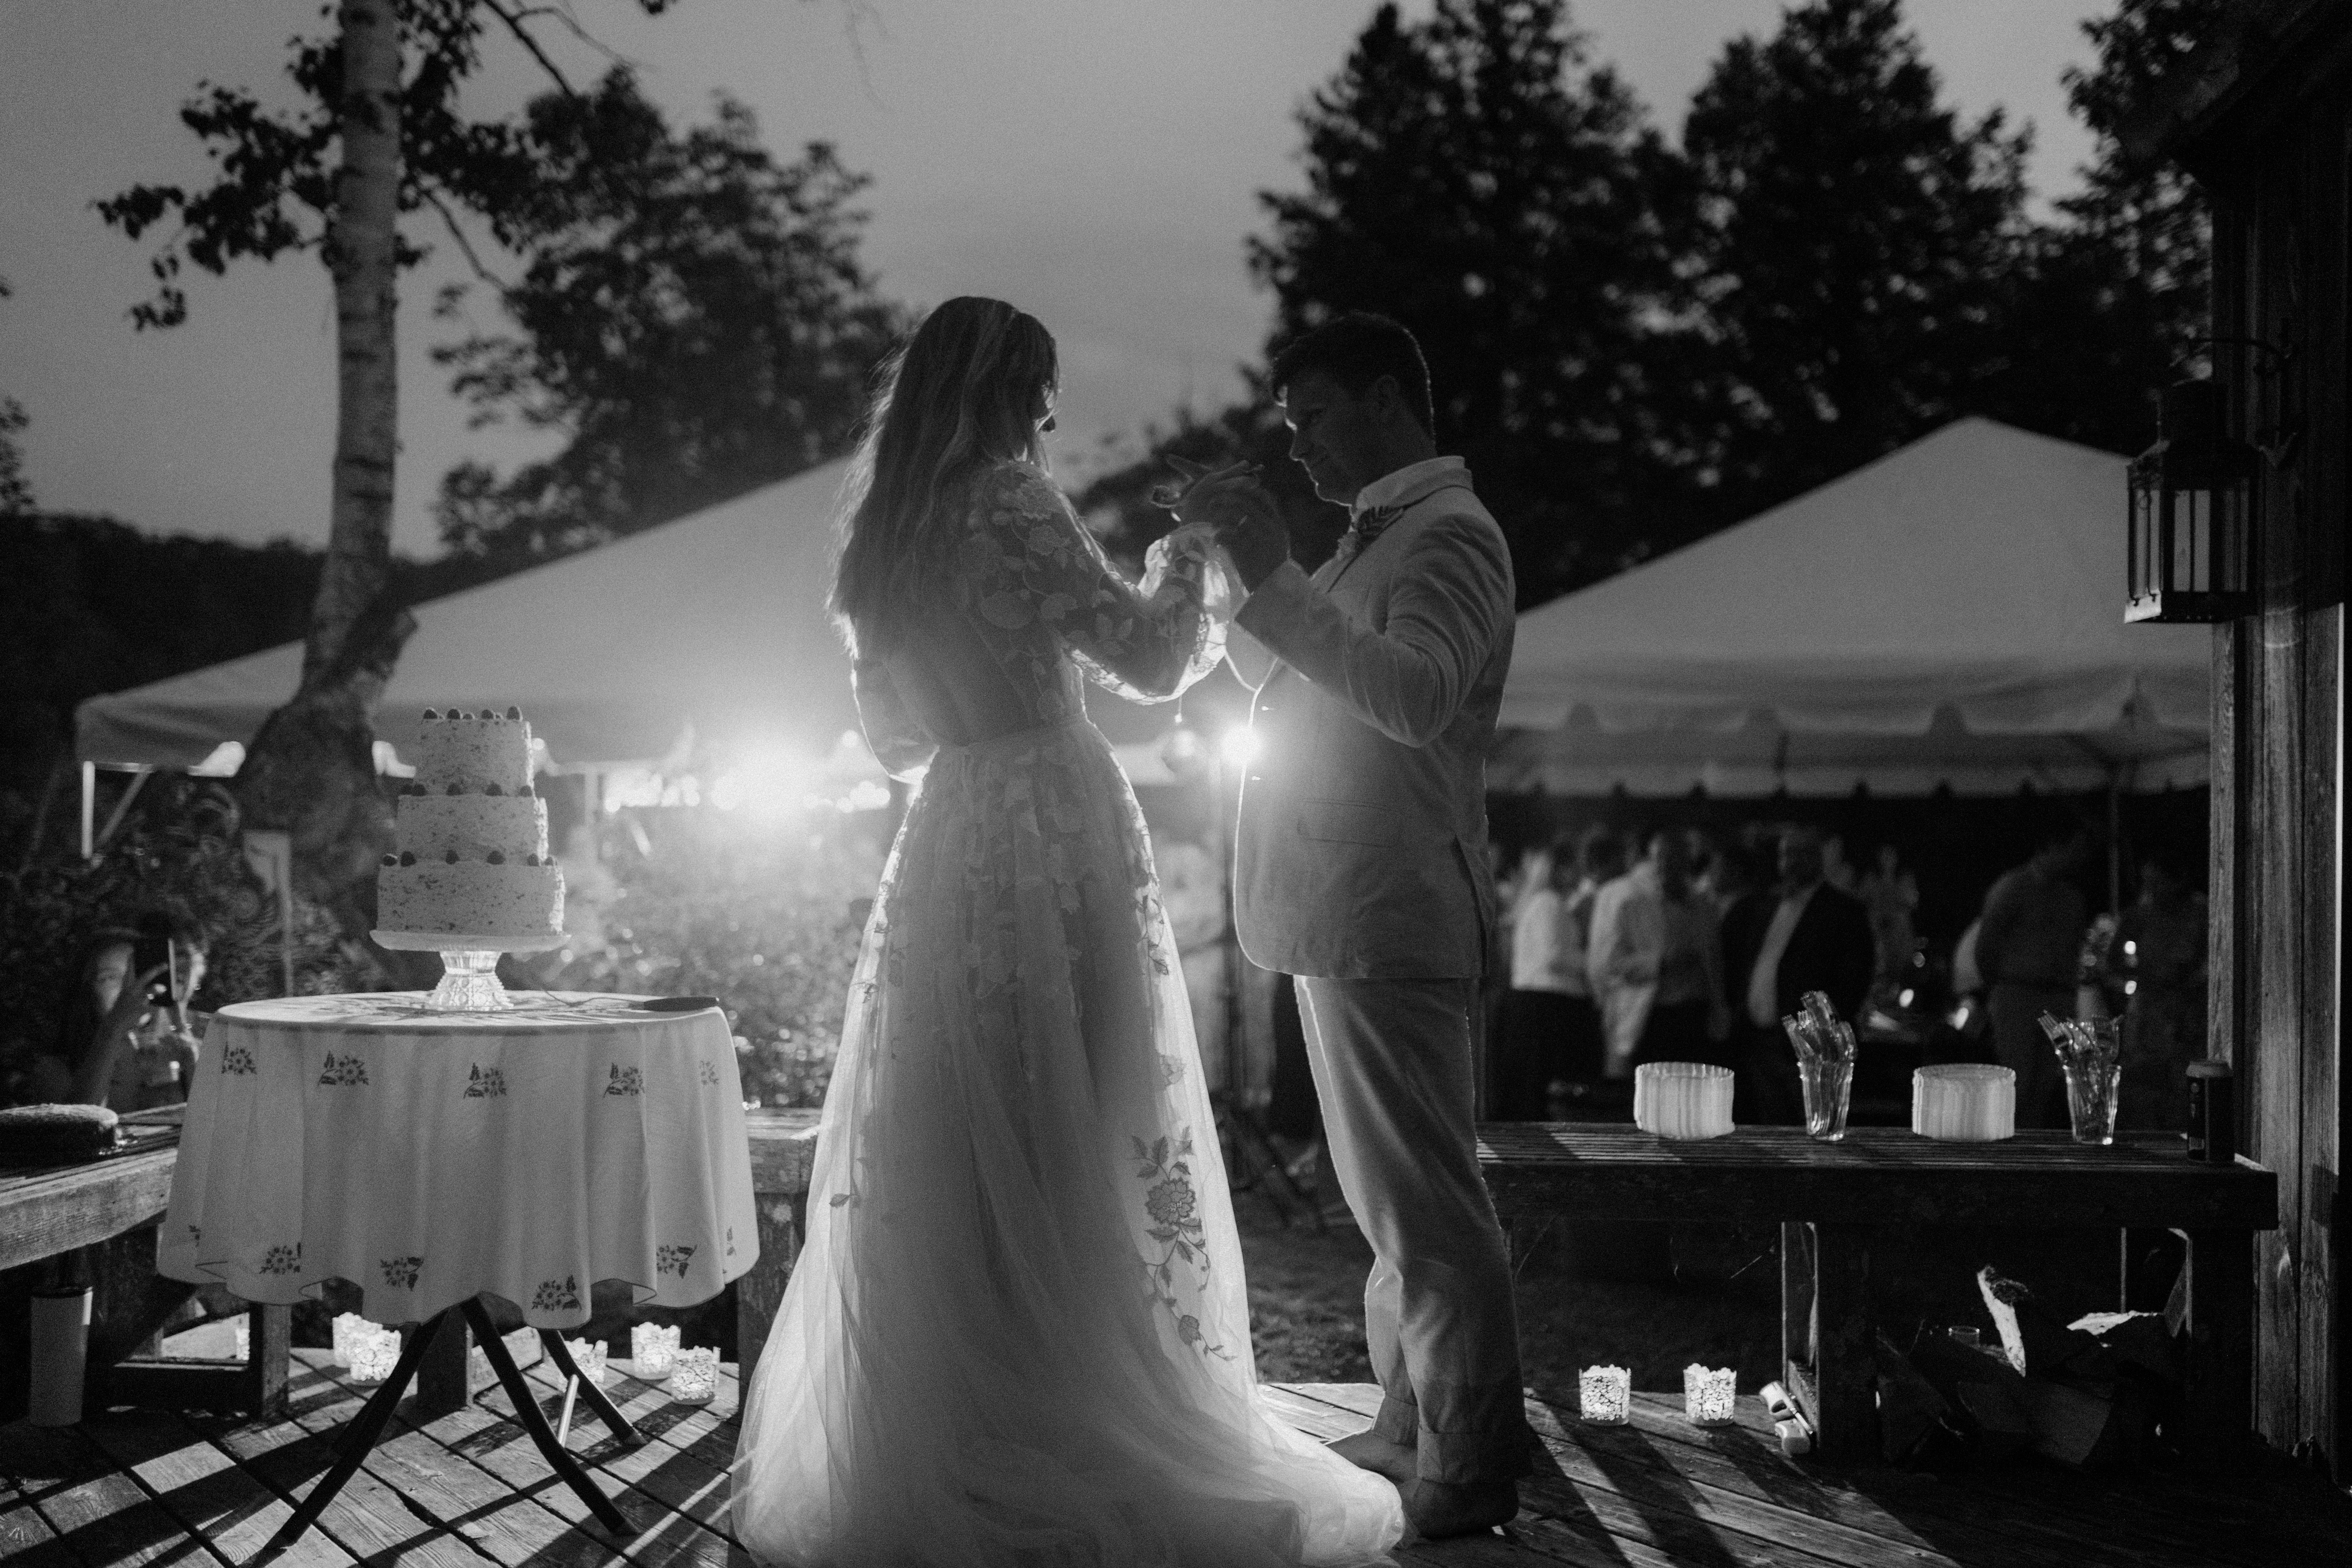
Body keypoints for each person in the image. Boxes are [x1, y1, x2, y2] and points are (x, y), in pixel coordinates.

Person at [730, 298, 1403, 1567]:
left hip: (950, 833)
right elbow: (1148, 663)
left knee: (960, 1121)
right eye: (1040, 404)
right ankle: (1071, 1418)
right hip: (1049, 822)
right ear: (1005, 395)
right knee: (1076, 1116)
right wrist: (1192, 552)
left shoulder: (883, 538)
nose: (1046, 428)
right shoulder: (1007, 499)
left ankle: (966, 1427)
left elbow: (894, 737)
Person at [1177, 310, 1532, 1538]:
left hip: (1392, 906)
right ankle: (1410, 1421)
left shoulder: (1453, 534)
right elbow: (1282, 682)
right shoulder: (1369, 540)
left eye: (1314, 417)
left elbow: (1416, 696)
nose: (1300, 446)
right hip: (1342, 907)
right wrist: (1240, 572)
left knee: (1429, 1208)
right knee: (1389, 1208)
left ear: (1386, 399)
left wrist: (1277, 576)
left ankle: (1472, 1462)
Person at [1722, 827, 1876, 1124]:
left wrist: (1821, 1033)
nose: (1791, 862)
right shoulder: (1765, 905)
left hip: (1809, 1049)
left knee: (1809, 1124)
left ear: (1817, 858)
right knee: (1766, 1126)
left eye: (1801, 854)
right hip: (1758, 1043)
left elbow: (1855, 979)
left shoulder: (1843, 911)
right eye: (1786, 854)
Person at [15, 911, 207, 1111]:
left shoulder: (172, 1052)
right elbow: (84, 1122)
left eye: (133, 975)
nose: (128, 989)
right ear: (87, 991)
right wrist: (115, 1026)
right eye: (110, 978)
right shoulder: (58, 1068)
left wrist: (192, 1063)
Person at [1974, 825, 2095, 1129]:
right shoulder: (2013, 888)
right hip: (2018, 995)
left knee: (2045, 1086)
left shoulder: (2071, 897)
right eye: (2074, 849)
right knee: (2018, 1079)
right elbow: (1987, 945)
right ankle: (2008, 1143)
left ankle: (2031, 1144)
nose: (2080, 857)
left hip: (2057, 997)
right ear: (2053, 846)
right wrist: (2000, 990)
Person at [1590, 829, 1730, 1073]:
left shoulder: (1704, 908)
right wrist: (1660, 963)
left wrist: (1720, 1008)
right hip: (1651, 1018)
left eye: (1673, 859)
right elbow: (1608, 964)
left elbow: (1715, 963)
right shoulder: (1631, 903)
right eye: (1659, 858)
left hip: (1695, 1016)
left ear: (1687, 862)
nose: (1665, 866)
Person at [2106, 847, 2208, 1131]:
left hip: (2189, 1013)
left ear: (2178, 879)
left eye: (2158, 882)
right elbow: (2113, 962)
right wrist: (2144, 975)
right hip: (2149, 1013)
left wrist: (2189, 976)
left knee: (2185, 1085)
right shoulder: (2140, 914)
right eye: (2148, 883)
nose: (2152, 890)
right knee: (2143, 1085)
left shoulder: (2202, 912)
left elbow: (2213, 958)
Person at [1495, 832, 1577, 1119]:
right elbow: (1553, 956)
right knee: (1537, 1088)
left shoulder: (1540, 902)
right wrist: (1590, 961)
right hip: (1542, 1004)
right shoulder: (1548, 903)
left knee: (1530, 1085)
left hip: (1533, 1004)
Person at [1857, 843, 1920, 982]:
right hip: (1878, 935)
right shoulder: (1871, 879)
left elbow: (1913, 902)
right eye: (1884, 855)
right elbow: (1859, 903)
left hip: (1900, 936)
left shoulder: (1905, 879)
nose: (1888, 859)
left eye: (1891, 855)